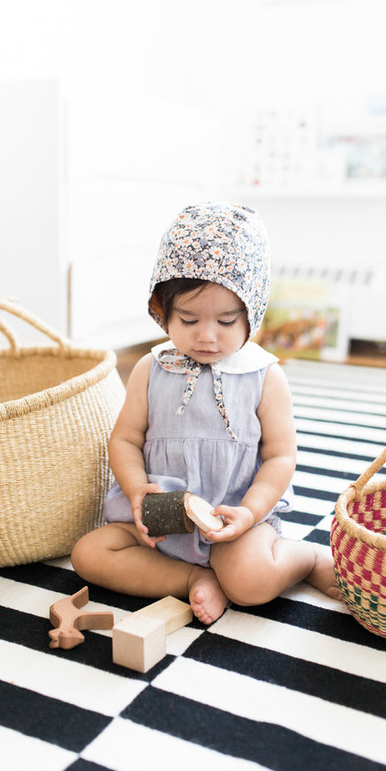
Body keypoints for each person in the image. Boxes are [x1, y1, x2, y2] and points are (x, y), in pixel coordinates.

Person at [71, 202, 340, 624]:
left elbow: (280, 457)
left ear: (252, 313)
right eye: (188, 318)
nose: (207, 336)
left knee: (249, 582)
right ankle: (190, 579)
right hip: (160, 522)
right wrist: (138, 490)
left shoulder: (264, 376)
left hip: (232, 521)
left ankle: (304, 558)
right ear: (162, 310)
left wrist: (250, 513)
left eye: (227, 321)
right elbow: (124, 439)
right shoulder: (150, 368)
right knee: (89, 553)